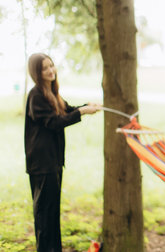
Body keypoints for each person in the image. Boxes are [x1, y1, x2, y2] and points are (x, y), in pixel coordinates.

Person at [24, 53, 100, 252]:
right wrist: (82, 112)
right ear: (37, 73)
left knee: (52, 213)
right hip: (42, 165)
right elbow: (54, 122)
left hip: (54, 162)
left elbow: (67, 111)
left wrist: (87, 107)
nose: (51, 71)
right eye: (45, 68)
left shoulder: (52, 93)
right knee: (44, 216)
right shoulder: (36, 96)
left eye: (52, 66)